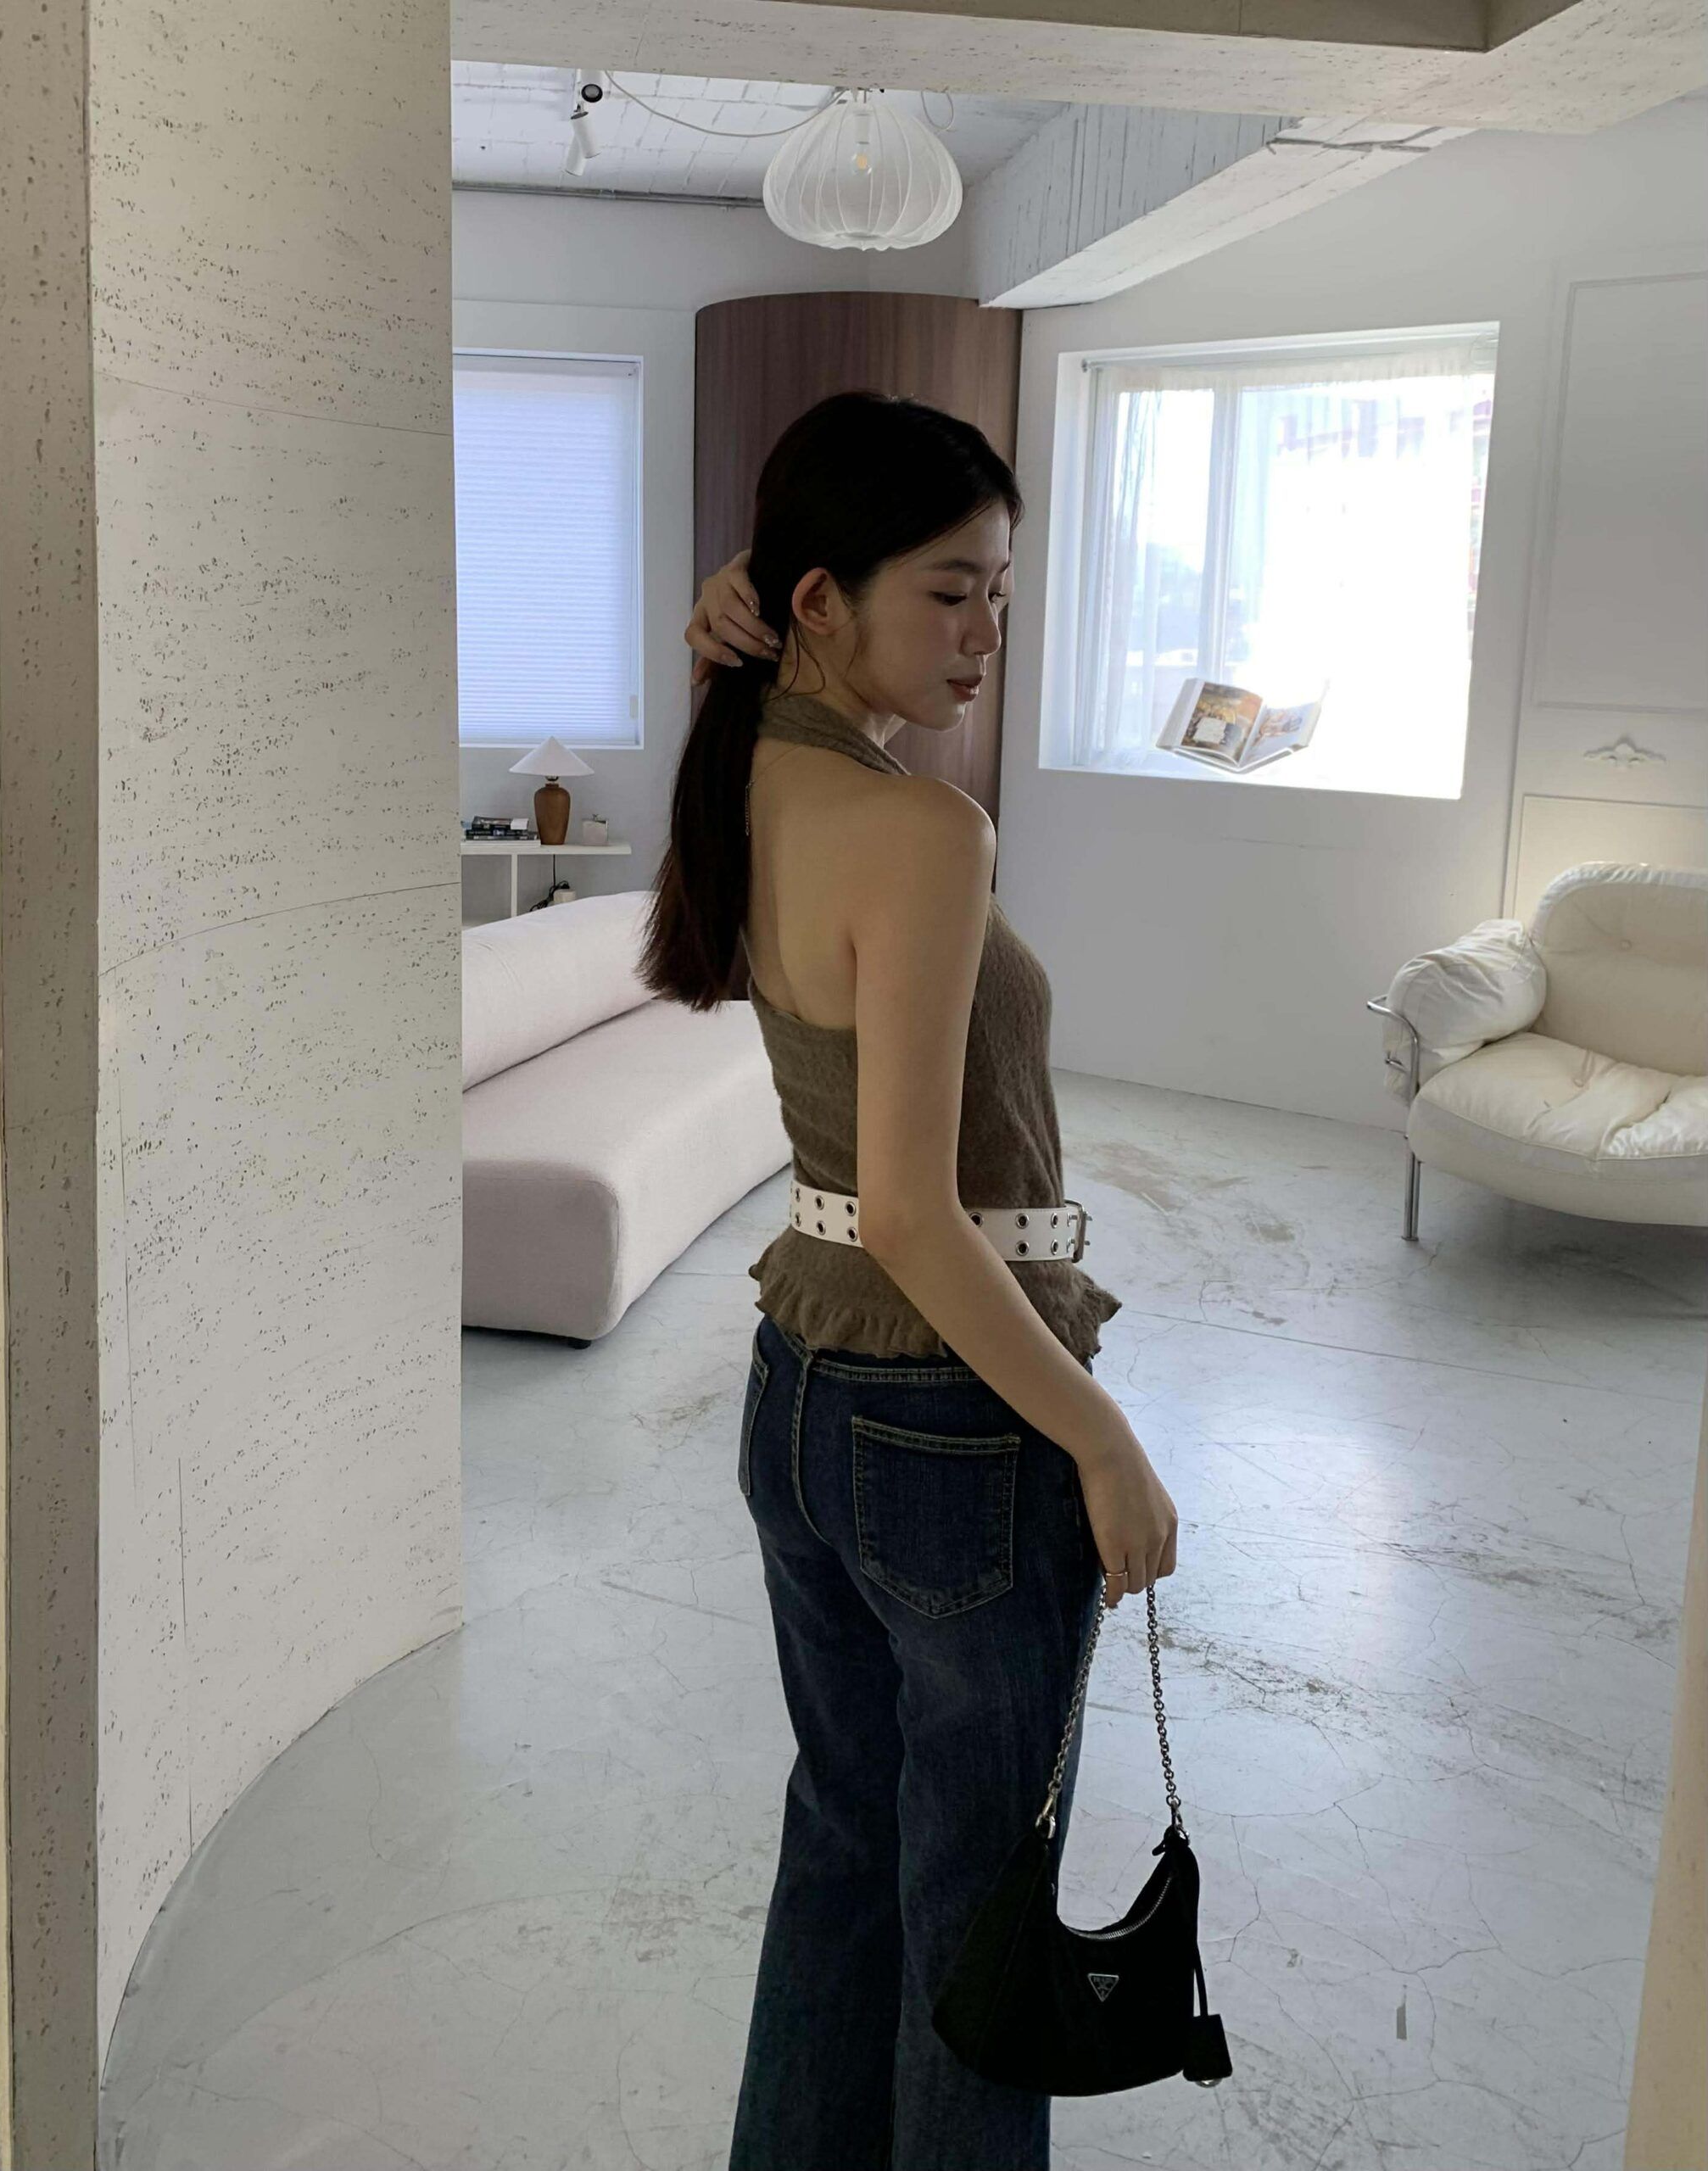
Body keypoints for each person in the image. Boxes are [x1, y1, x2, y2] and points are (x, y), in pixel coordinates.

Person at [639, 389, 1179, 2171]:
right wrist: (1102, 1437)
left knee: (847, 1844)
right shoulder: (925, 830)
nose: (984, 634)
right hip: (950, 1410)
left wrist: (733, 612)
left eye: (1000, 592)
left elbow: (866, 1213)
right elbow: (918, 1216)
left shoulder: (750, 765)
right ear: (819, 598)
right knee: (978, 1903)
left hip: (801, 1391)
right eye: (949, 591)